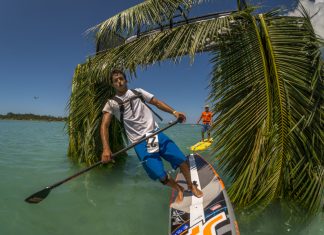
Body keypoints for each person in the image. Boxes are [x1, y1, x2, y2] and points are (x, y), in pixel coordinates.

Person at [100, 69, 203, 203]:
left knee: (181, 159)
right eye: (115, 80)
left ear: (126, 80)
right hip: (139, 142)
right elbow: (104, 126)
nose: (119, 81)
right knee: (159, 174)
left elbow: (157, 102)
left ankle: (191, 185)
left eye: (121, 78)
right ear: (112, 84)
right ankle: (179, 188)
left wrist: (175, 112)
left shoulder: (138, 92)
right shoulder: (111, 103)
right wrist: (106, 148)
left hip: (154, 134)